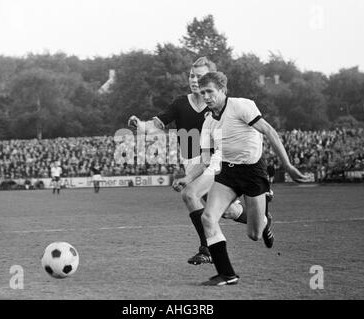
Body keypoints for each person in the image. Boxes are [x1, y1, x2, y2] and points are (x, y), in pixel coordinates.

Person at [195, 72, 310, 286]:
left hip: (253, 172)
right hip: (228, 172)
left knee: (254, 234)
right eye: (202, 93)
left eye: (210, 91)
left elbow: (269, 131)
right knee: (208, 218)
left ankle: (265, 220)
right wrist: (191, 178)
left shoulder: (241, 106)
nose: (206, 97)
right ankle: (227, 274)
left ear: (222, 90)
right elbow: (205, 158)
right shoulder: (209, 122)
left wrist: (288, 165)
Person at [128, 57, 244, 265]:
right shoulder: (181, 103)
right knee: (229, 211)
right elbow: (157, 124)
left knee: (189, 195)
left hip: (214, 162)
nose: (193, 79)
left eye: (199, 76)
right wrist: (141, 125)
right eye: (191, 75)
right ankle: (261, 218)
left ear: (210, 79)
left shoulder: (220, 105)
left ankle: (206, 249)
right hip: (191, 163)